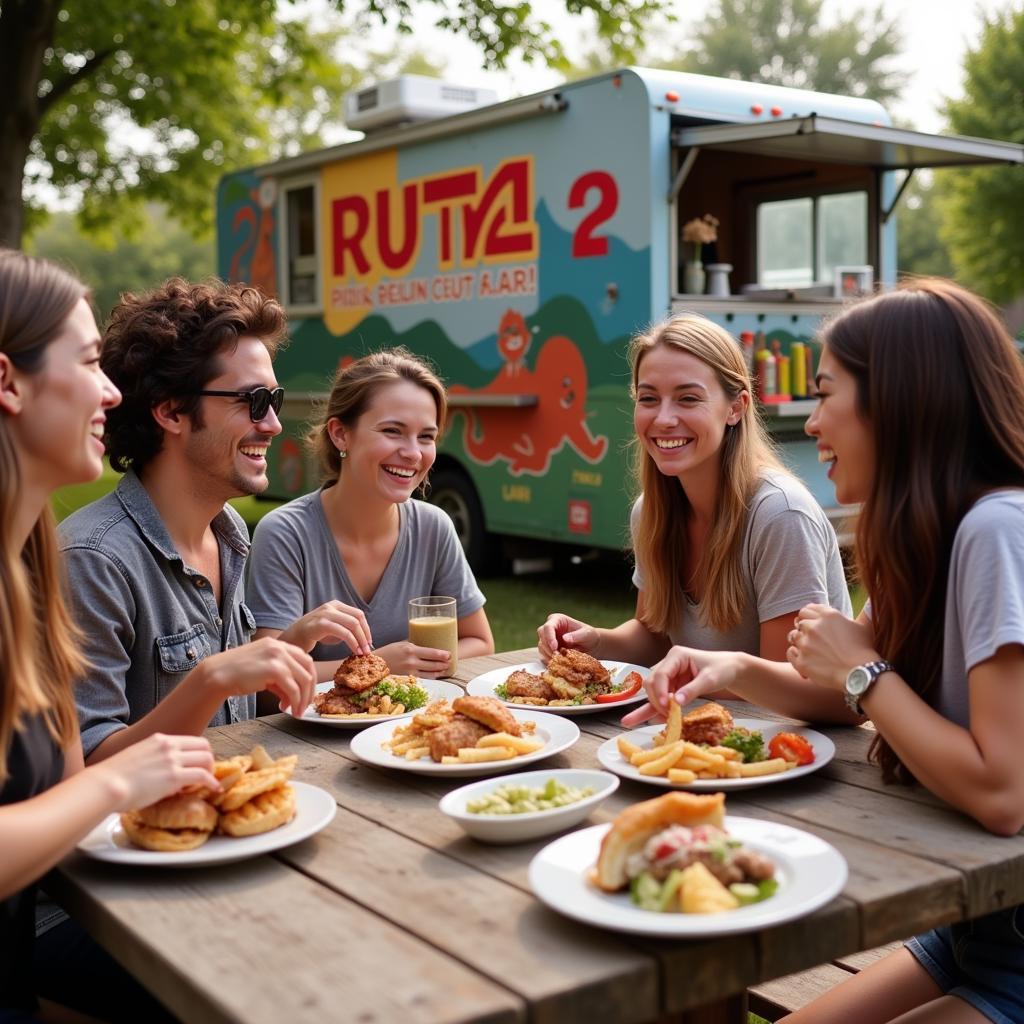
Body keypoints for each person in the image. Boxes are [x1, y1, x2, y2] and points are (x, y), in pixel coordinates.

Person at [642, 280, 1024, 1024]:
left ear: (902, 404)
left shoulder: (998, 530)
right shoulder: (929, 536)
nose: (813, 422)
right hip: (967, 929)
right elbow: (842, 683)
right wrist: (736, 669)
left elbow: (1004, 795)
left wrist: (862, 671)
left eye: (825, 394)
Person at [0, 249, 221, 1021]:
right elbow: (89, 788)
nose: (112, 391)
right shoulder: (88, 554)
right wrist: (119, 780)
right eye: (90, 362)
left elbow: (61, 794)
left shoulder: (33, 570)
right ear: (8, 382)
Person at [58, 277, 333, 765]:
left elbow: (234, 718)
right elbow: (87, 762)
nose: (271, 424)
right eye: (253, 401)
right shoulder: (92, 560)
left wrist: (283, 655)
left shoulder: (228, 535)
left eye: (274, 399)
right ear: (171, 412)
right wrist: (211, 679)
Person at [538, 313, 850, 689]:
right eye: (649, 398)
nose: (664, 418)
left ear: (736, 408)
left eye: (688, 398)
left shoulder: (780, 514)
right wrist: (595, 641)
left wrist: (682, 689)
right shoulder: (650, 511)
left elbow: (789, 685)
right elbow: (655, 637)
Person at [246, 348, 493, 680]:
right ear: (340, 434)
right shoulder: (285, 533)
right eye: (392, 431)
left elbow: (479, 641)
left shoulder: (434, 527)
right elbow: (262, 689)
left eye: (426, 437)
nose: (412, 453)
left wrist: (404, 667)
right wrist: (381, 667)